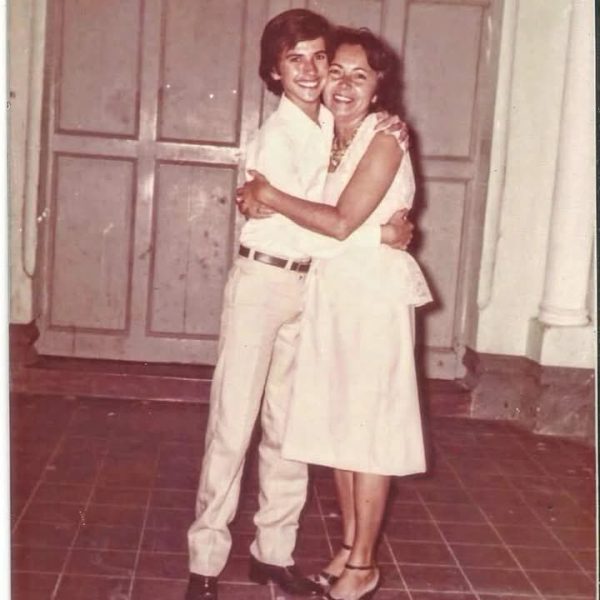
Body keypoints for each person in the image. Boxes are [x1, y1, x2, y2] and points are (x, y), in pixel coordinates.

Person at [184, 11, 414, 600]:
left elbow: (341, 211)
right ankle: (205, 561)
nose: (312, 72)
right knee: (233, 423)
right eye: (297, 60)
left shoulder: (343, 127)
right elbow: (321, 223)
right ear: (274, 72)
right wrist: (381, 234)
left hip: (314, 290)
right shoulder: (274, 137)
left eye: (321, 59)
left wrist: (380, 221)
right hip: (263, 284)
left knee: (290, 429)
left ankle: (273, 553)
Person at [238, 27, 432, 600]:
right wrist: (254, 196)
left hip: (372, 300)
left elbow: (342, 222)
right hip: (332, 295)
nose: (343, 85)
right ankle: (349, 549)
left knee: (368, 435)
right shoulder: (327, 134)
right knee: (343, 433)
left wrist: (269, 196)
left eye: (359, 76)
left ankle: (365, 565)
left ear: (379, 86)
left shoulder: (385, 138)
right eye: (336, 72)